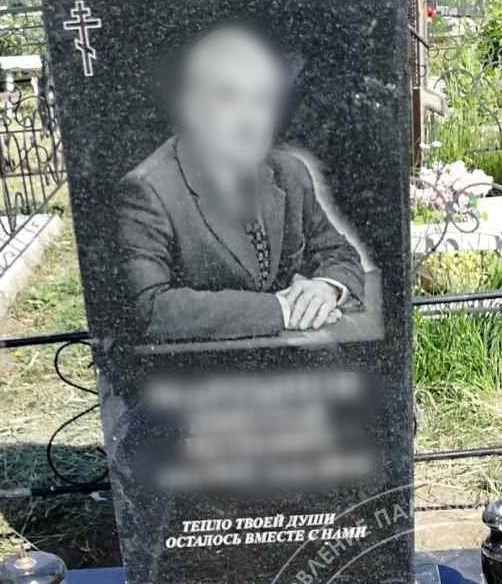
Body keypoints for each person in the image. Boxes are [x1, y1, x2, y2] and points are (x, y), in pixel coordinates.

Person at [116, 23, 364, 345]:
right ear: (192, 107)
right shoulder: (148, 191)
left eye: (261, 100)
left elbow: (338, 252)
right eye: (228, 98)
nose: (250, 121)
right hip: (201, 371)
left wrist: (326, 288)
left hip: (290, 362)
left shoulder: (290, 173)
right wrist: (280, 310)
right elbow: (149, 308)